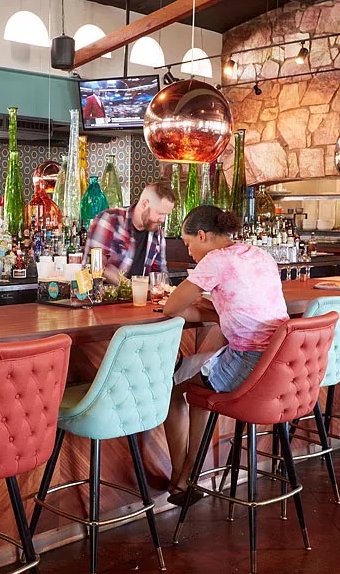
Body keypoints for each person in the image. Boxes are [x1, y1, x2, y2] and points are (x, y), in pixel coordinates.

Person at [162, 205, 288, 504]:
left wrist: (185, 302)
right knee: (197, 383)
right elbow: (231, 309)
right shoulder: (257, 254)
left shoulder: (215, 260)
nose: (189, 251)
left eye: (188, 243)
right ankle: (186, 476)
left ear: (202, 235)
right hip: (281, 364)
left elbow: (170, 307)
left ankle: (184, 474)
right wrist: (202, 305)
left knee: (174, 388)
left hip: (250, 364)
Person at [85, 181, 177, 284]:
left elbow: (160, 274)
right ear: (145, 204)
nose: (162, 219)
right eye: (160, 213)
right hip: (104, 293)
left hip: (138, 293)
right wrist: (132, 287)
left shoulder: (157, 233)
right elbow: (97, 266)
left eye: (166, 215)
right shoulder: (110, 220)